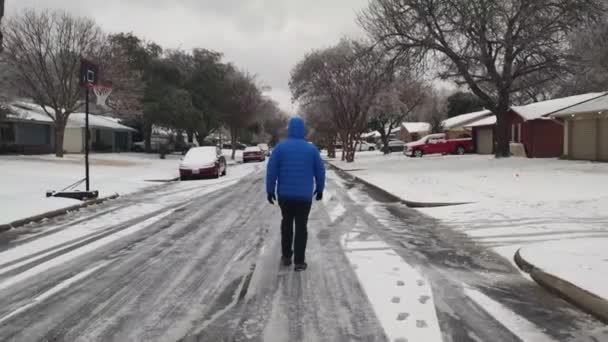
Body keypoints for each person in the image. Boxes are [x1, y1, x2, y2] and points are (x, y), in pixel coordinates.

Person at [266, 116, 326, 272]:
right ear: (303, 130)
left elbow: (271, 171)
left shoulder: (280, 148)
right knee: (301, 227)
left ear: (289, 129)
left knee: (286, 224)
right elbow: (320, 170)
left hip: (285, 196)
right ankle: (299, 261)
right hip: (304, 197)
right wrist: (320, 188)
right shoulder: (311, 149)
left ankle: (287, 256)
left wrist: (270, 190)